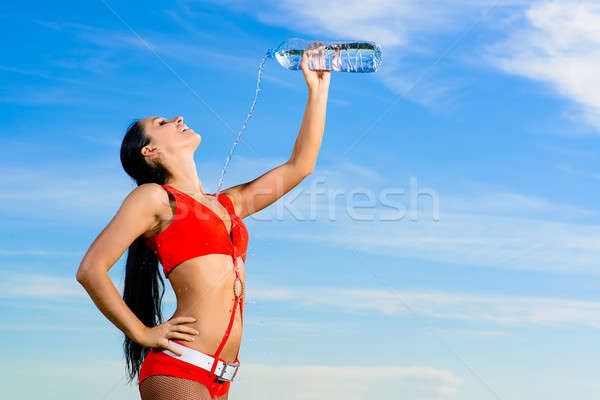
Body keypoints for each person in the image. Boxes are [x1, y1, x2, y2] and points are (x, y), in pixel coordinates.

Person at [76, 43, 332, 400]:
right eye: (162, 123)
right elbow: (90, 270)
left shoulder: (228, 204)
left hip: (221, 377)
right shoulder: (154, 199)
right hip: (179, 369)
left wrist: (317, 91)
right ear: (149, 151)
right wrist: (142, 333)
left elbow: (300, 166)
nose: (178, 118)